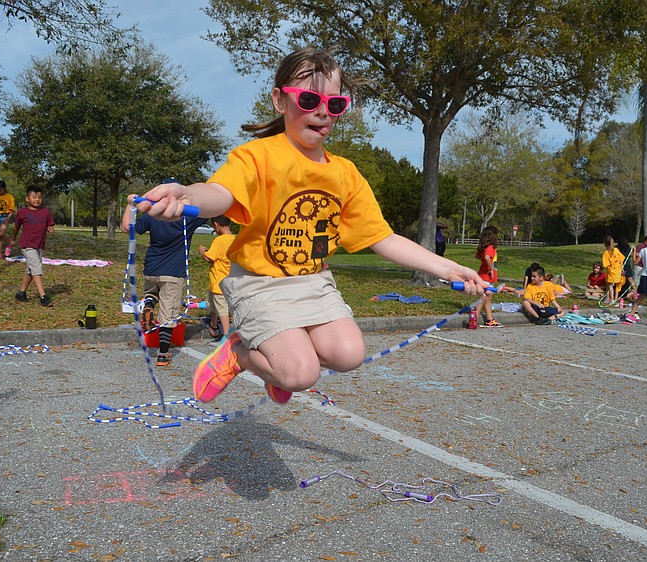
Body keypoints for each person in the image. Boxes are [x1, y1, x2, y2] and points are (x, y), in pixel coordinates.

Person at [135, 48, 488, 404]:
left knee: (349, 354)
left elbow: (382, 237)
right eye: (308, 99)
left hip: (313, 281)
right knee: (301, 374)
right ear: (279, 101)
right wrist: (185, 196)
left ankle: (278, 361)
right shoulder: (258, 156)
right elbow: (219, 193)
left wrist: (448, 267)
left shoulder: (345, 173)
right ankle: (239, 353)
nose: (322, 111)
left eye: (334, 104)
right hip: (260, 284)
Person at [122, 185, 210, 368]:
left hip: (152, 268)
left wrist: (130, 204)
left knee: (152, 294)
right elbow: (209, 211)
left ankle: (148, 305)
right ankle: (163, 354)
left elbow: (126, 228)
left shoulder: (152, 215)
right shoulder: (187, 217)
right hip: (173, 272)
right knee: (167, 317)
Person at [12, 187, 55, 306]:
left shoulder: (46, 212)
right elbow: (16, 227)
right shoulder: (22, 212)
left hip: (39, 245)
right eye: (34, 197)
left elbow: (49, 225)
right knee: (36, 268)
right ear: (27, 198)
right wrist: (13, 239)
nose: (37, 200)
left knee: (31, 270)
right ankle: (43, 297)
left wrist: (50, 228)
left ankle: (21, 293)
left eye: (39, 197)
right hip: (27, 245)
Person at [198, 216, 236, 339]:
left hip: (218, 283)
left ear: (216, 224)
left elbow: (209, 258)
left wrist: (202, 251)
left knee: (222, 310)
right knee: (213, 306)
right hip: (231, 281)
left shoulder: (219, 241)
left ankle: (226, 335)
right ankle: (213, 326)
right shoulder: (235, 239)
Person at [474, 225, 503, 327]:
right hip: (486, 277)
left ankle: (489, 319)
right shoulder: (490, 247)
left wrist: (485, 263)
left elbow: (477, 255)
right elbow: (486, 257)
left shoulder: (484, 247)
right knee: (483, 297)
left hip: (484, 275)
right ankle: (474, 317)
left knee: (488, 297)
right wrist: (490, 268)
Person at [602, 235, 624, 303]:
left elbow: (605, 265)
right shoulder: (617, 250)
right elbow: (621, 259)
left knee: (610, 285)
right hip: (618, 270)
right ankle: (615, 298)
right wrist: (622, 268)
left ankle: (611, 299)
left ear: (605, 243)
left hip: (611, 271)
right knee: (617, 285)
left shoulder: (606, 253)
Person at [616, 235, 636, 300]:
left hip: (621, 266)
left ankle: (634, 292)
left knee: (623, 279)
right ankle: (635, 291)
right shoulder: (628, 248)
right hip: (627, 265)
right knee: (630, 279)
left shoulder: (617, 248)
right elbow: (632, 255)